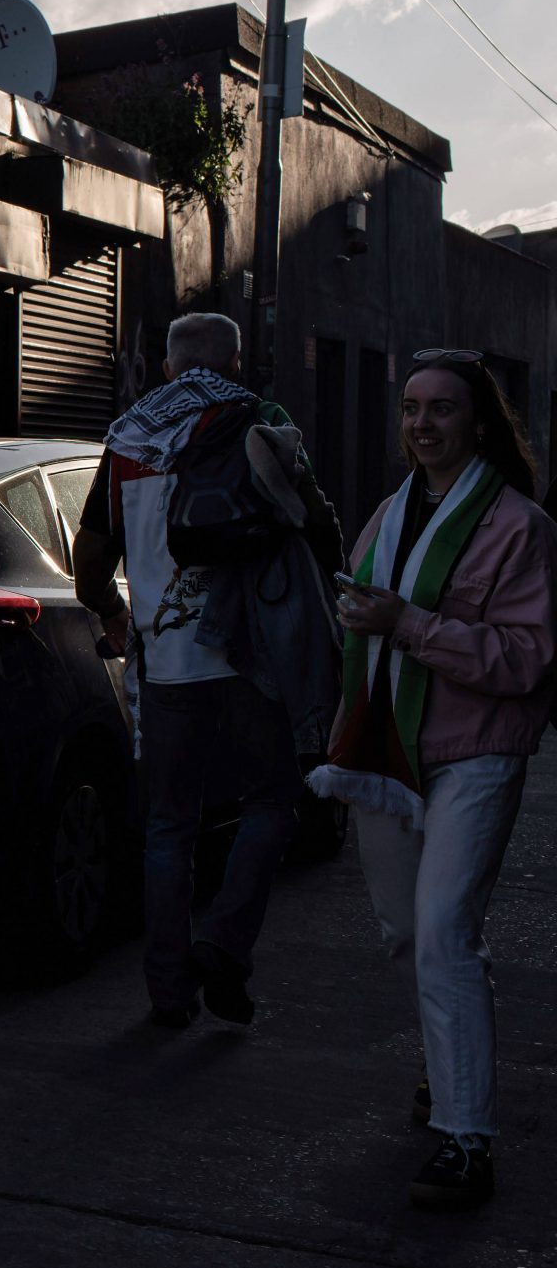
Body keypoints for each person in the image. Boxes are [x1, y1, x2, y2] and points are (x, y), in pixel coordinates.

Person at [311, 353, 557, 1211]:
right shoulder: (389, 511)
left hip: (477, 749)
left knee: (447, 928)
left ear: (479, 422)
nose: (422, 424)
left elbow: (527, 659)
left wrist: (410, 624)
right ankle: (446, 1066)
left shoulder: (522, 527)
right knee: (408, 932)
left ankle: (466, 1136)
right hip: (388, 748)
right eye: (412, 408)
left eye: (442, 409)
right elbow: (366, 614)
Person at [72, 312, 342, 1029]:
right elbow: (319, 525)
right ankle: (222, 943)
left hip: (168, 667)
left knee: (169, 827)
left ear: (167, 367)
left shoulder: (128, 438)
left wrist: (112, 611)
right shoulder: (262, 419)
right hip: (254, 659)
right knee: (272, 803)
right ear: (237, 363)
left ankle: (168, 993)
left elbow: (90, 557)